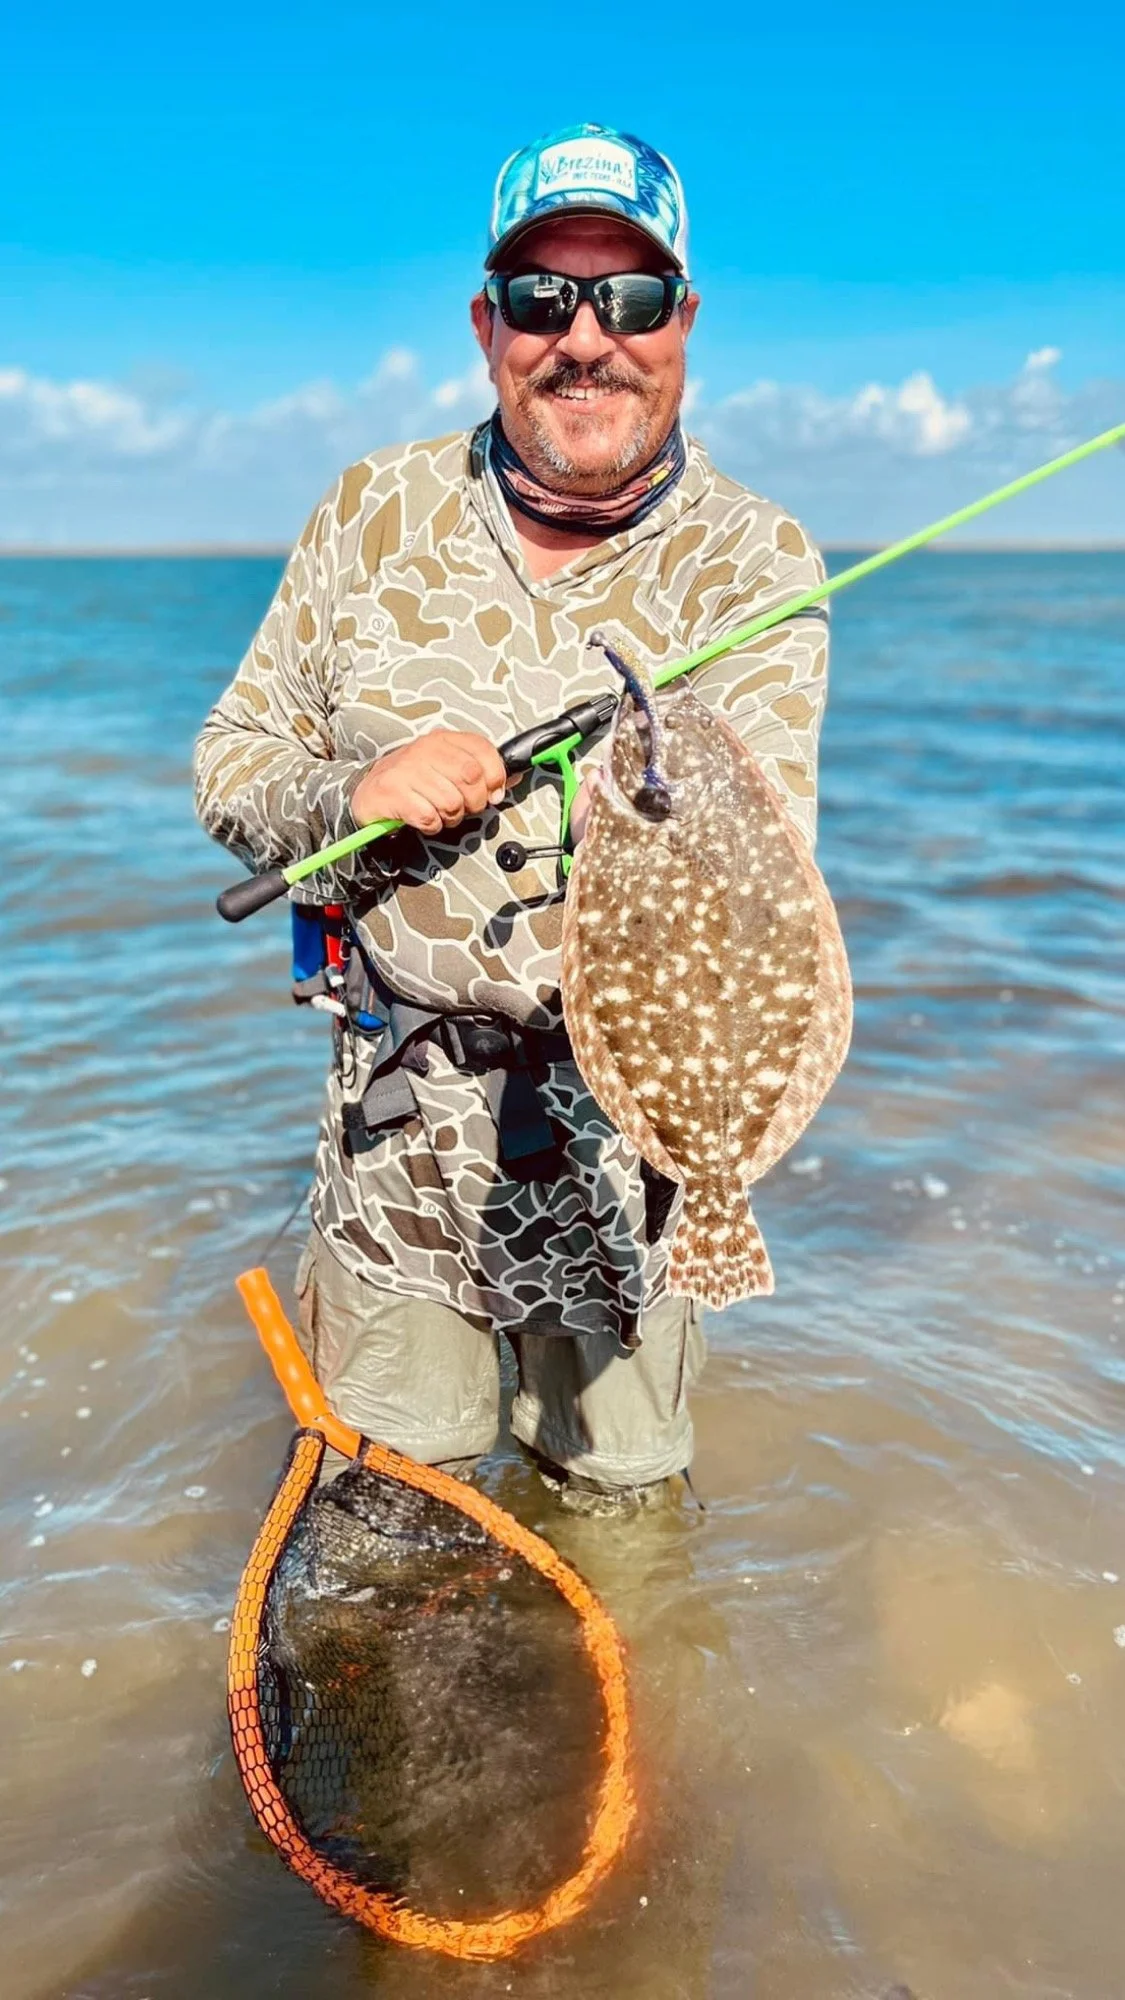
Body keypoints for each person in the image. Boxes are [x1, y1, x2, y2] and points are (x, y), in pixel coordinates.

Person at [194, 122, 829, 1515]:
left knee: (631, 1548)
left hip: (632, 1181)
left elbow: (775, 853)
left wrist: (650, 812)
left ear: (685, 325)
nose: (585, 337)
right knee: (387, 1545)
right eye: (544, 296)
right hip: (396, 1156)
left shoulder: (756, 561)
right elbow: (231, 756)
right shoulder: (371, 514)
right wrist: (342, 797)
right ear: (489, 323)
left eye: (633, 297)